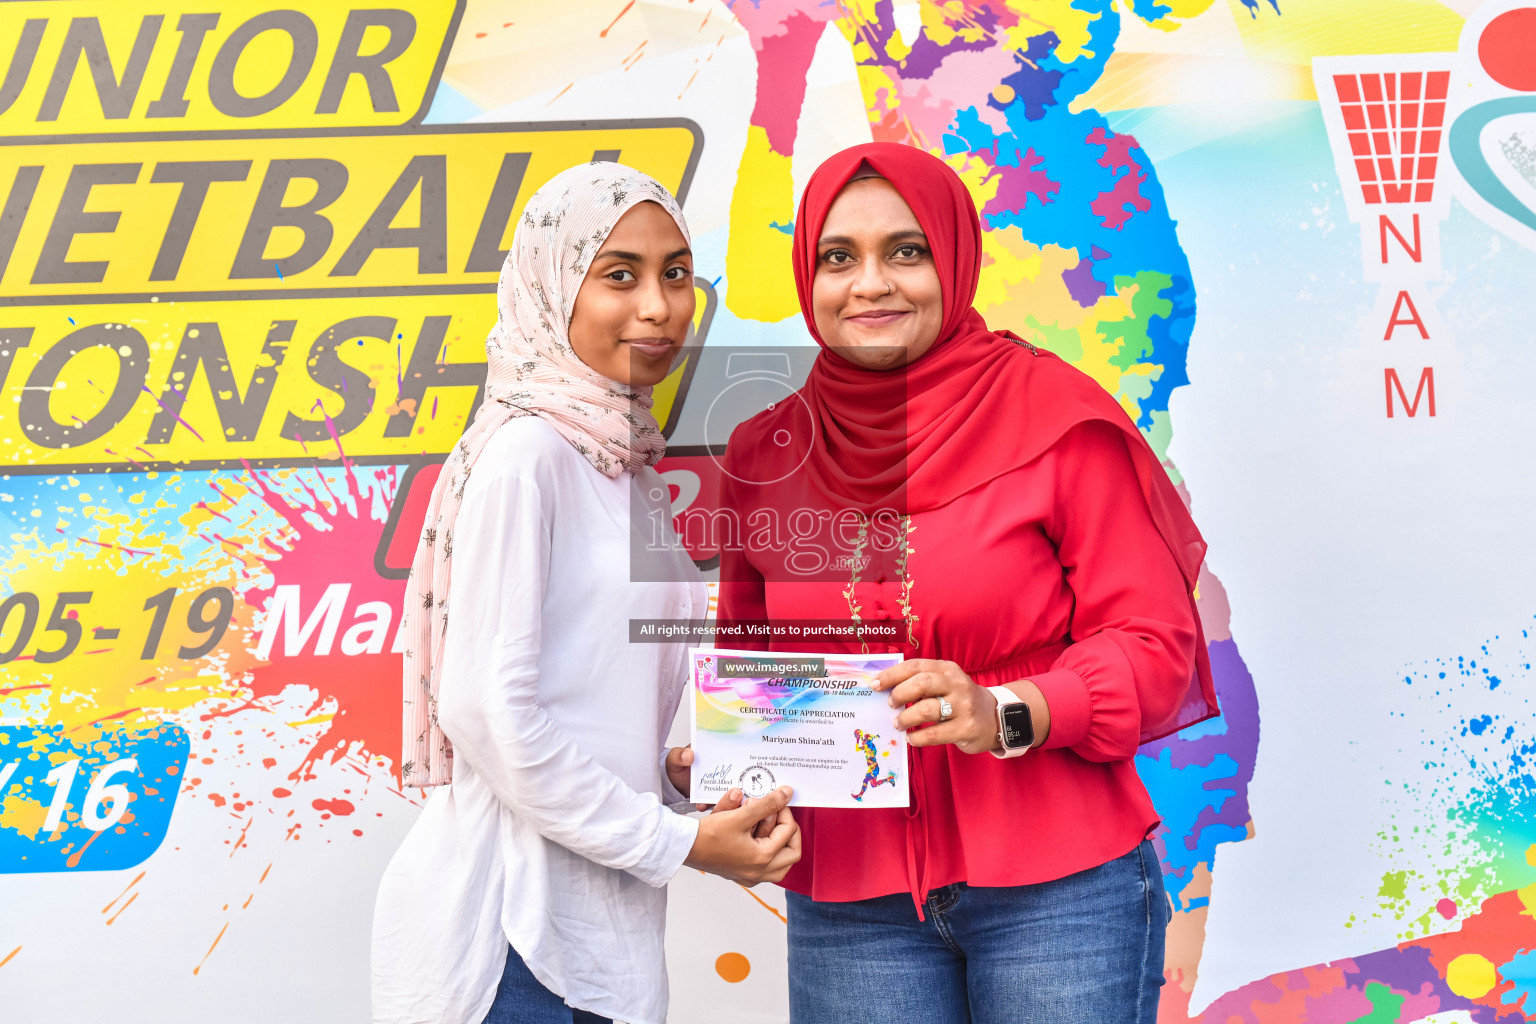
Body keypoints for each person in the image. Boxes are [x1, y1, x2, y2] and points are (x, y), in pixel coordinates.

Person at [716, 143, 1218, 1022]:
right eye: (839, 257)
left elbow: (1155, 647)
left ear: (953, 257)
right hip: (850, 900)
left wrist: (1003, 711)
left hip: (1061, 890)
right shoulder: (764, 454)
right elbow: (753, 666)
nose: (870, 283)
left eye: (905, 251)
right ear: (807, 275)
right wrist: (721, 755)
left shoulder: (1058, 420)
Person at [372, 162, 800, 1024]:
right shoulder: (528, 454)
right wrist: (676, 840)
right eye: (620, 275)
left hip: (595, 939)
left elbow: (590, 698)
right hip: (511, 939)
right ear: (551, 285)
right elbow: (488, 712)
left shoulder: (622, 465)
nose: (657, 305)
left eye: (676, 273)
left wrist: (677, 780)